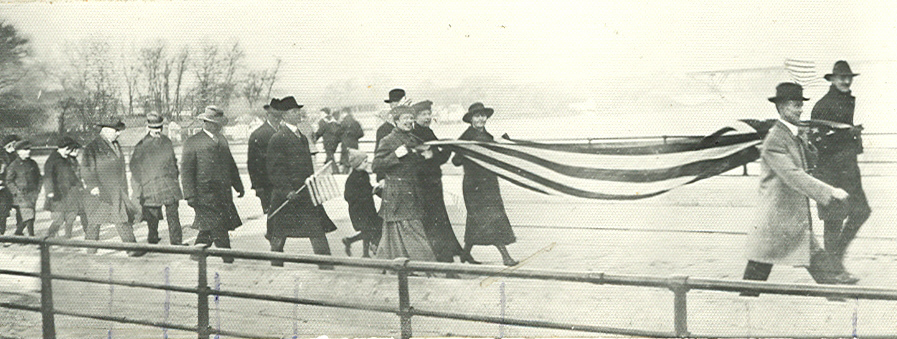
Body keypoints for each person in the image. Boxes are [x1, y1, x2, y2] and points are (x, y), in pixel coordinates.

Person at [741, 83, 852, 296]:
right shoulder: (775, 139)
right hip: (775, 221)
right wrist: (830, 192)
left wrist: (806, 141)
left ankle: (839, 301)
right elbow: (794, 175)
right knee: (753, 281)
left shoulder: (792, 134)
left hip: (791, 220)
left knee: (816, 265)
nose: (800, 109)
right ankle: (738, 315)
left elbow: (809, 163)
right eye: (795, 105)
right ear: (781, 108)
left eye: (801, 105)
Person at [809, 60, 870, 283]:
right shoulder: (823, 105)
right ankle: (834, 270)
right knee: (833, 221)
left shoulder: (846, 101)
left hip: (849, 171)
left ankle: (835, 260)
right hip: (830, 173)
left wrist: (853, 136)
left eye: (848, 77)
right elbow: (817, 142)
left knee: (862, 210)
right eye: (841, 77)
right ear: (832, 79)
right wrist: (848, 135)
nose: (846, 81)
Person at [266, 96, 337, 268]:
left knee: (317, 230)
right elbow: (275, 169)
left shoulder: (303, 137)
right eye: (294, 111)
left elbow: (307, 166)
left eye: (298, 111)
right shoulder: (278, 138)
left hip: (305, 193)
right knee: (278, 234)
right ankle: (275, 267)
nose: (298, 114)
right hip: (288, 195)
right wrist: (286, 190)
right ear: (284, 116)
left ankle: (327, 267)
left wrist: (313, 185)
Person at [452, 103, 518, 266]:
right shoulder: (465, 137)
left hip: (489, 184)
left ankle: (466, 253)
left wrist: (502, 144)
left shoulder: (488, 137)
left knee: (478, 219)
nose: (481, 118)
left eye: (483, 115)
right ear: (471, 119)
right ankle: (506, 257)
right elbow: (455, 161)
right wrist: (466, 150)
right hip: (475, 186)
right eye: (477, 116)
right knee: (490, 218)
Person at [372, 105, 437, 262]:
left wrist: (425, 157)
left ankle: (395, 267)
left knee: (397, 235)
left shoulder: (413, 139)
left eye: (410, 118)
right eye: (405, 118)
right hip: (397, 193)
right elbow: (376, 165)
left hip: (412, 192)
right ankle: (425, 267)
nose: (409, 121)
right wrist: (396, 155)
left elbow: (413, 165)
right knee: (408, 231)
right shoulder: (388, 140)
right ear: (396, 121)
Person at [181, 106, 245, 263]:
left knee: (208, 230)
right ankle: (228, 260)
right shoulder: (193, 142)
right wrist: (189, 195)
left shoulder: (222, 140)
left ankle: (196, 257)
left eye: (220, 123)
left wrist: (238, 185)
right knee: (219, 227)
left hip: (222, 194)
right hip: (204, 195)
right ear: (207, 123)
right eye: (216, 123)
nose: (219, 126)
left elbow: (231, 165)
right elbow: (186, 171)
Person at [411, 100, 465, 266]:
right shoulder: (415, 136)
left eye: (429, 113)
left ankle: (444, 253)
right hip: (423, 185)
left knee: (438, 218)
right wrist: (432, 156)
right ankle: (441, 256)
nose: (427, 117)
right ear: (415, 117)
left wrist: (448, 149)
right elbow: (418, 162)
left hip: (434, 183)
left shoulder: (428, 133)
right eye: (423, 114)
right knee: (432, 219)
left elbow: (437, 159)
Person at [80, 118, 145, 256]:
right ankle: (90, 249)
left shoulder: (115, 145)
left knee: (121, 218)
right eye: (116, 130)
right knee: (95, 222)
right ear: (106, 130)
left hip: (116, 191)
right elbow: (86, 168)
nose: (119, 134)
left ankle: (132, 249)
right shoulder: (92, 147)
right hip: (100, 192)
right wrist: (93, 186)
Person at [130, 113, 185, 245]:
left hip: (168, 184)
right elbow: (134, 166)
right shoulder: (141, 145)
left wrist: (174, 175)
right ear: (149, 128)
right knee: (152, 216)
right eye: (154, 129)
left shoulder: (167, 141)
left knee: (173, 214)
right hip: (151, 185)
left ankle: (176, 242)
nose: (158, 131)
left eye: (159, 128)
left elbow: (173, 160)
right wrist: (144, 181)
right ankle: (153, 239)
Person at [341, 149, 382, 258]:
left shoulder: (364, 175)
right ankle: (361, 250)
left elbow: (368, 188)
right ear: (358, 163)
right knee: (368, 230)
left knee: (369, 229)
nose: (367, 163)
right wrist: (368, 193)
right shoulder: (352, 179)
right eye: (365, 161)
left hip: (368, 208)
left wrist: (376, 191)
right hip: (358, 210)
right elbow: (348, 196)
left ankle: (354, 245)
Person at [248, 98, 282, 214]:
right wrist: (258, 186)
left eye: (280, 115)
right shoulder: (258, 134)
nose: (277, 118)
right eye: (274, 115)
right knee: (272, 216)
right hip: (267, 185)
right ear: (268, 115)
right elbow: (253, 163)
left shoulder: (284, 132)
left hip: (283, 185)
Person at [44, 137, 83, 239]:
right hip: (58, 194)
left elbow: (72, 175)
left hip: (70, 193)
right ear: (66, 148)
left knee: (71, 215)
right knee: (59, 218)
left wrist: (80, 186)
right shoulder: (52, 160)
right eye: (70, 149)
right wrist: (50, 191)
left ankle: (67, 236)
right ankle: (49, 236)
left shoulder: (66, 159)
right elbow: (48, 176)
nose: (71, 152)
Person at [6, 140, 41, 236]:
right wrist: (16, 192)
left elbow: (39, 177)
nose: (28, 151)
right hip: (21, 195)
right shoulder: (14, 165)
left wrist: (37, 190)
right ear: (18, 151)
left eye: (29, 149)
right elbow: (9, 181)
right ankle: (32, 237)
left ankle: (18, 233)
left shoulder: (33, 163)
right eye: (25, 149)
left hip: (32, 194)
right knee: (29, 216)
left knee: (30, 216)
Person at [0, 134, 22, 235]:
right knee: (3, 211)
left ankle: (19, 232)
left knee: (21, 209)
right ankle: (1, 233)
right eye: (13, 144)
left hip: (14, 186)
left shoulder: (16, 156)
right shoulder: (1, 157)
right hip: (3, 188)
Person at [315, 108, 342, 173]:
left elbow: (320, 132)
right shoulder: (333, 120)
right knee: (329, 156)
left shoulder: (323, 121)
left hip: (328, 142)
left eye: (321, 113)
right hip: (334, 142)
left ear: (325, 113)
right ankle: (326, 169)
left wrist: (314, 138)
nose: (320, 115)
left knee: (330, 157)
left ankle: (336, 172)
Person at [339, 107, 364, 174]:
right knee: (354, 162)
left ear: (345, 113)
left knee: (346, 164)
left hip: (345, 145)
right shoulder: (356, 122)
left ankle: (344, 178)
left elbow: (338, 133)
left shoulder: (343, 122)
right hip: (354, 145)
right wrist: (354, 137)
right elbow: (361, 134)